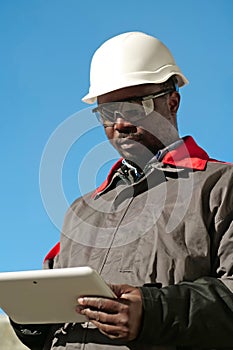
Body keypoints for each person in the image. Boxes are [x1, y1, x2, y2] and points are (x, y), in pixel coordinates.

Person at [11, 31, 233, 350]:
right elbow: (47, 321)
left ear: (173, 101)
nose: (119, 125)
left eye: (133, 108)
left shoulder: (221, 187)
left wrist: (154, 313)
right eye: (106, 114)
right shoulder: (81, 212)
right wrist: (29, 320)